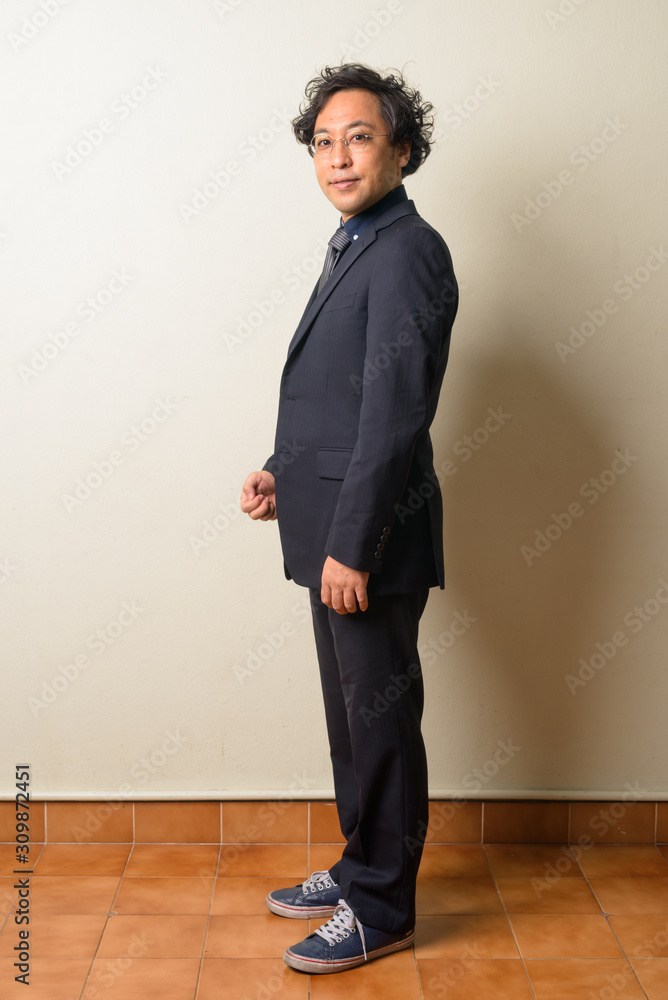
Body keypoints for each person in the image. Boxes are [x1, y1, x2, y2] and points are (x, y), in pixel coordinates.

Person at [240, 63, 458, 975]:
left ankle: (381, 907)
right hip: (331, 526)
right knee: (351, 720)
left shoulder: (408, 250)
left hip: (369, 542)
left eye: (359, 137)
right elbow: (340, 397)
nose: (337, 157)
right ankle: (362, 861)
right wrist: (283, 473)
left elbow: (395, 415)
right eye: (323, 142)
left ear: (401, 150)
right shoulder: (357, 241)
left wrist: (353, 544)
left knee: (381, 723)